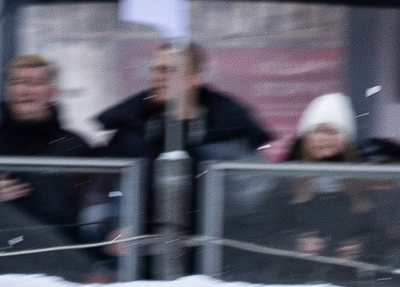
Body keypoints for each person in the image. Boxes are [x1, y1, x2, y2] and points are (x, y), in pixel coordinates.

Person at [94, 43, 270, 246]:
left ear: (194, 79)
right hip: (139, 261)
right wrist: (111, 229)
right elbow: (101, 193)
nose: (157, 77)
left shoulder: (227, 131)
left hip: (212, 259)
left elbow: (254, 205)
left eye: (169, 70)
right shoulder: (131, 130)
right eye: (155, 69)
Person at [236, 94, 385, 284]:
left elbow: (379, 235)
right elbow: (258, 239)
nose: (325, 139)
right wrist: (294, 244)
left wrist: (362, 247)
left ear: (345, 139)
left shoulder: (360, 184)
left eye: (333, 132)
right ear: (307, 136)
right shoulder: (285, 182)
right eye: (318, 131)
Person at [0, 54, 96, 245]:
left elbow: (95, 209)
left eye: (35, 83)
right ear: (8, 90)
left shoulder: (76, 146)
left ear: (52, 92)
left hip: (65, 259)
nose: (24, 90)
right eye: (17, 82)